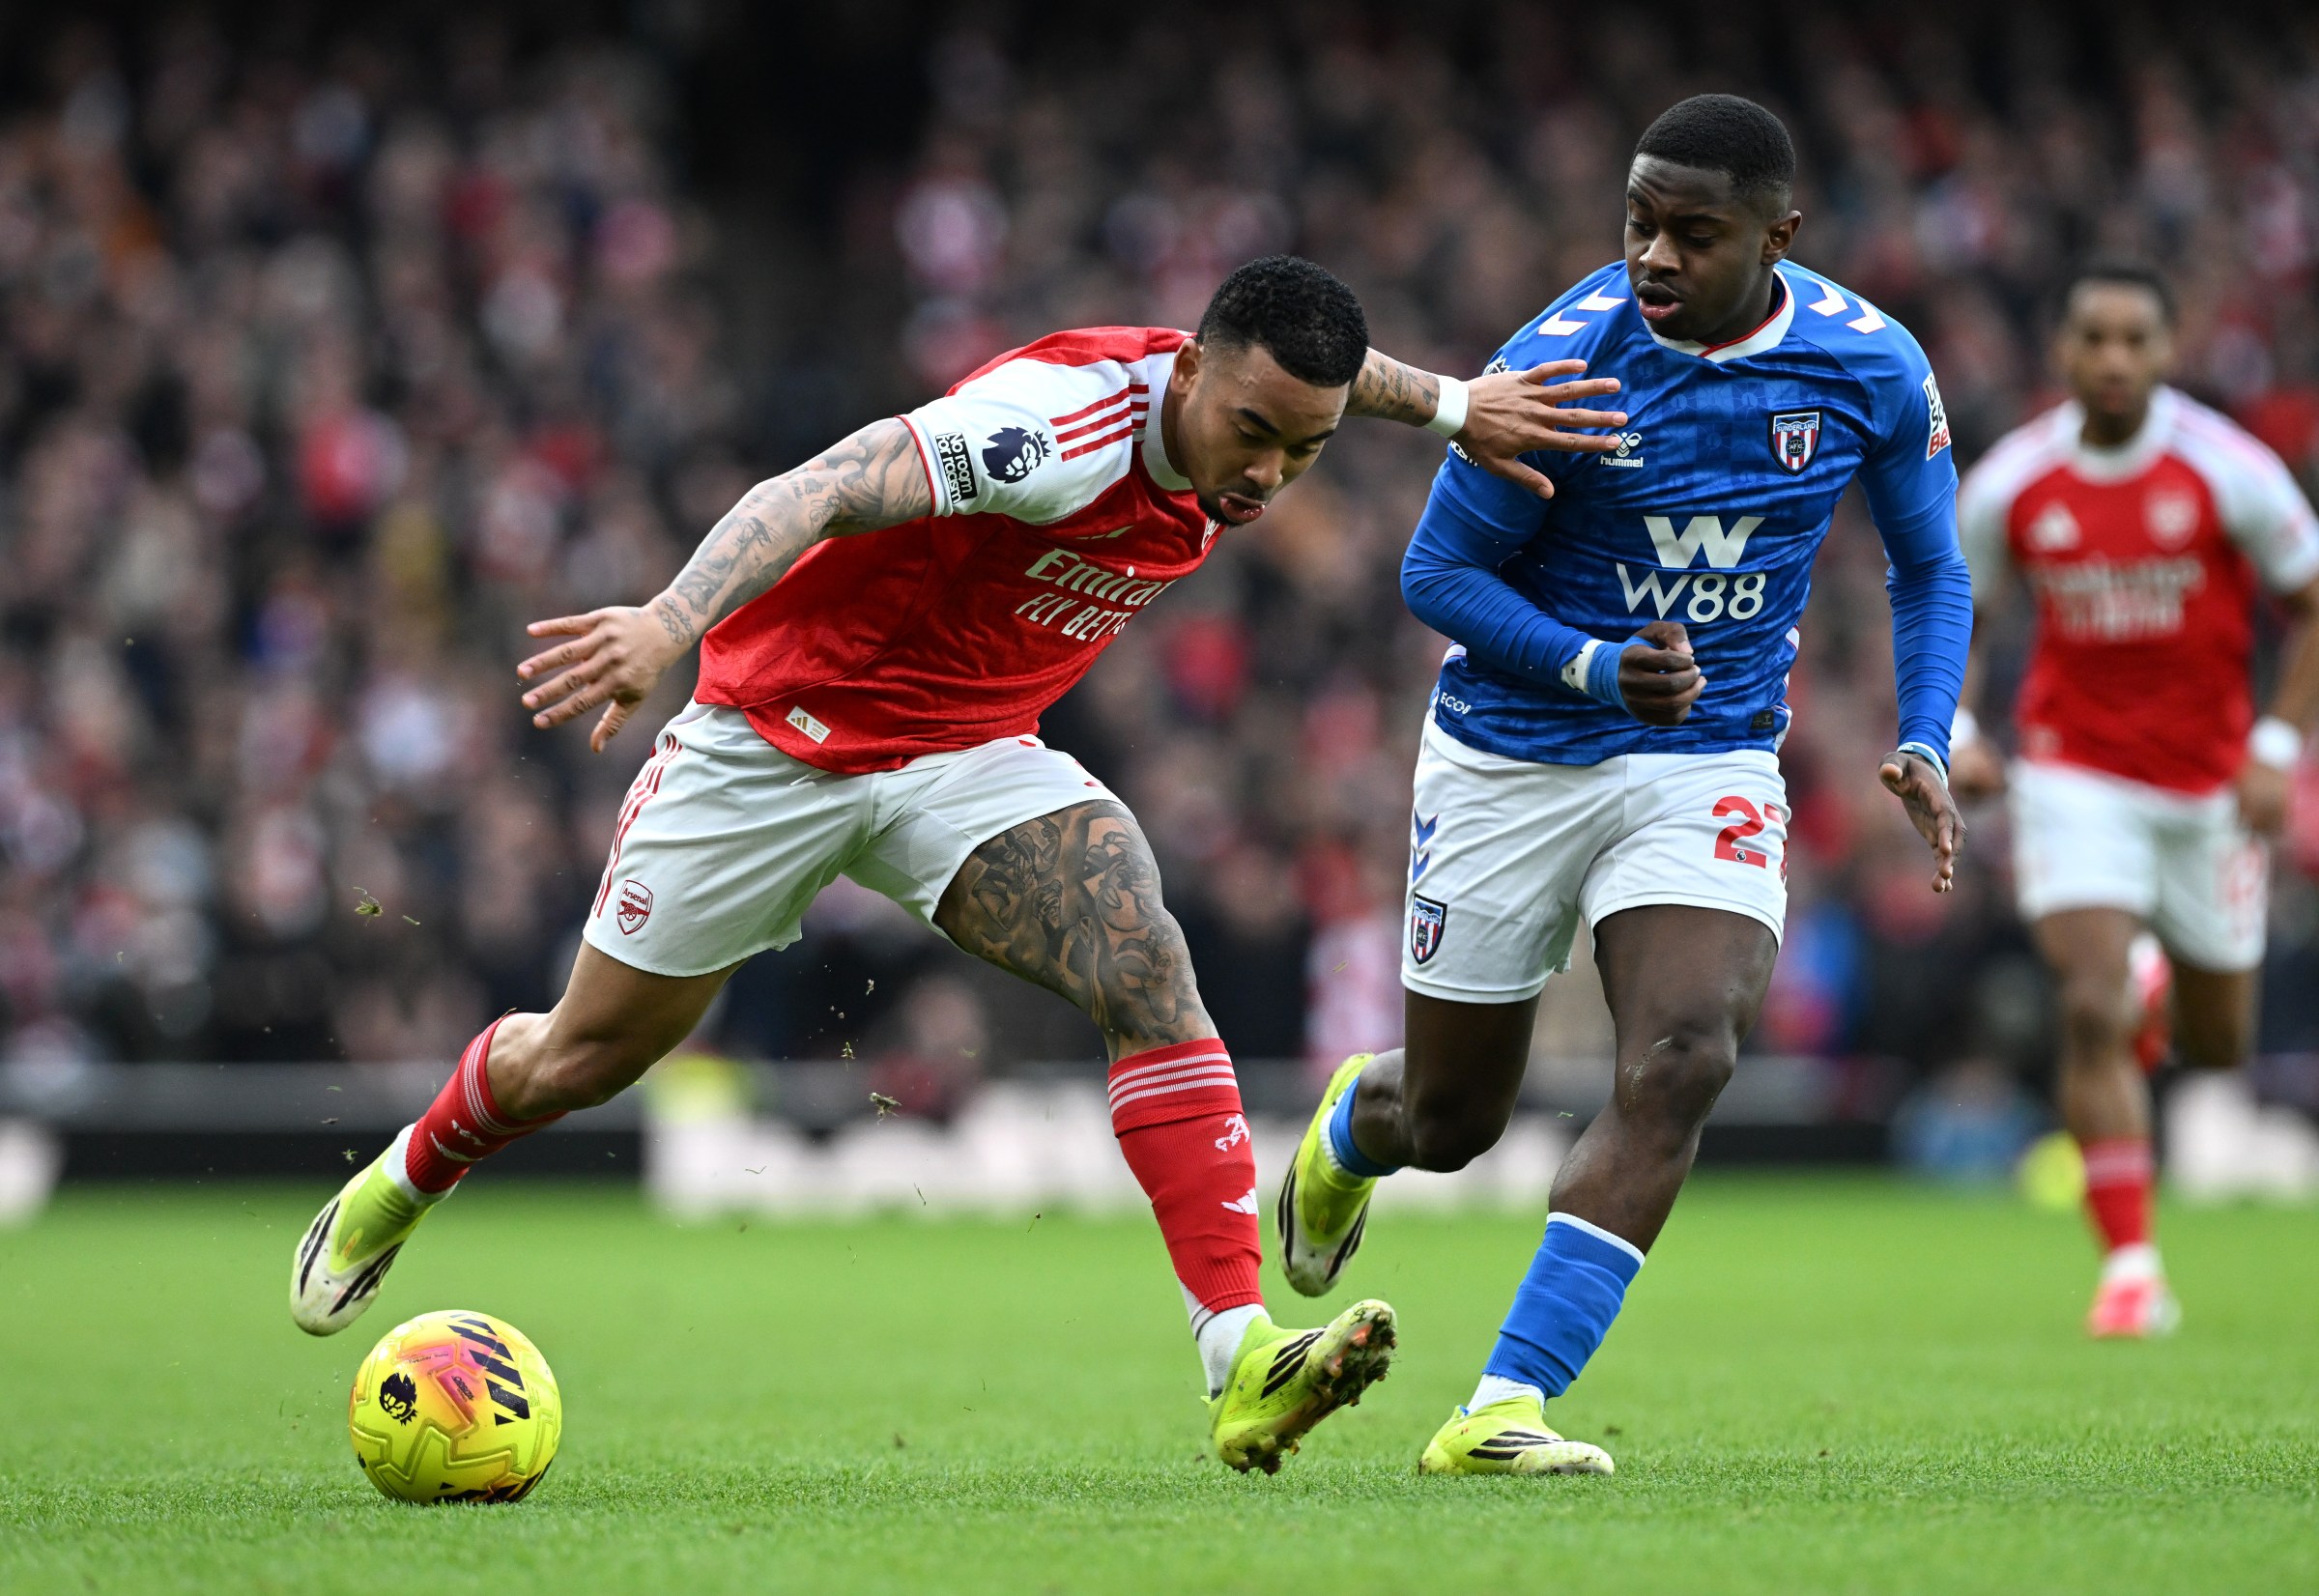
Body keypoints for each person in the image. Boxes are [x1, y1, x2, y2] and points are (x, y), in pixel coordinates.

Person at [289, 255, 1631, 1473]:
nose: (1270, 475)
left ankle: (1241, 1357)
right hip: (777, 738)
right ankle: (402, 1179)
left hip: (967, 748)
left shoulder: (1256, 391)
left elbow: (1339, 376)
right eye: (1254, 434)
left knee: (1143, 958)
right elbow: (816, 488)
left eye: (1306, 450)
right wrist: (668, 618)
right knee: (582, 1060)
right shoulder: (1052, 431)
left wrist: (1459, 407)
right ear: (1187, 372)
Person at [1274, 95, 1973, 1475]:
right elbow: (1436, 577)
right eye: (1639, 221)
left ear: (1779, 235)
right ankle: (1355, 1128)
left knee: (1686, 1052)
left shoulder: (1868, 366)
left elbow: (1931, 565)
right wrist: (1595, 669)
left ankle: (1501, 1409)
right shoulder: (1565, 360)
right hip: (1510, 754)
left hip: (1704, 755)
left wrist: (1928, 733)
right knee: (1456, 1122)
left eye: (1691, 232)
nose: (1652, 253)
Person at [1948, 262, 2319, 1337]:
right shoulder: (2012, 482)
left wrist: (2278, 745)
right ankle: (2131, 1266)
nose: (2113, 360)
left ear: (2166, 352)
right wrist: (1963, 732)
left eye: (2133, 341)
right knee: (2086, 1003)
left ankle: (2160, 981)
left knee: (2216, 1046)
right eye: (2093, 339)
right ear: (2062, 351)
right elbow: (1957, 611)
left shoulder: (2228, 469)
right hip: (2073, 773)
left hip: (2210, 785)